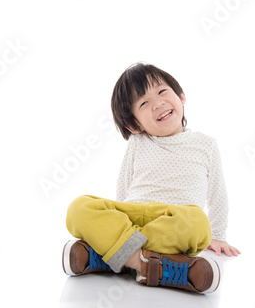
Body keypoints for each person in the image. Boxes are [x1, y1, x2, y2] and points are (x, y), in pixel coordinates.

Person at [62, 62, 240, 294]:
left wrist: (217, 235)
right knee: (79, 207)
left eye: (162, 91)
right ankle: (144, 263)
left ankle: (109, 256)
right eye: (144, 103)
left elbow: (218, 192)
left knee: (197, 223)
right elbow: (124, 186)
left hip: (172, 219)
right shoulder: (138, 142)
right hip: (132, 214)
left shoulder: (205, 144)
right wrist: (118, 220)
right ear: (134, 125)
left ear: (181, 97)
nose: (157, 104)